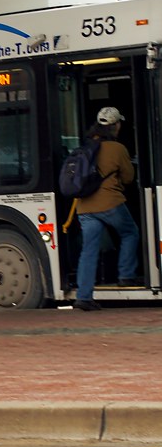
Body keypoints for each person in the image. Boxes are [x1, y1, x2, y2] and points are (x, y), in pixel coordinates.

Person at [74, 106, 139, 311]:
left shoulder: (87, 146)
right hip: (110, 203)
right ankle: (125, 276)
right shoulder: (117, 149)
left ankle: (83, 296)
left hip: (84, 206)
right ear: (115, 125)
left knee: (89, 250)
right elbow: (129, 178)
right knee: (130, 233)